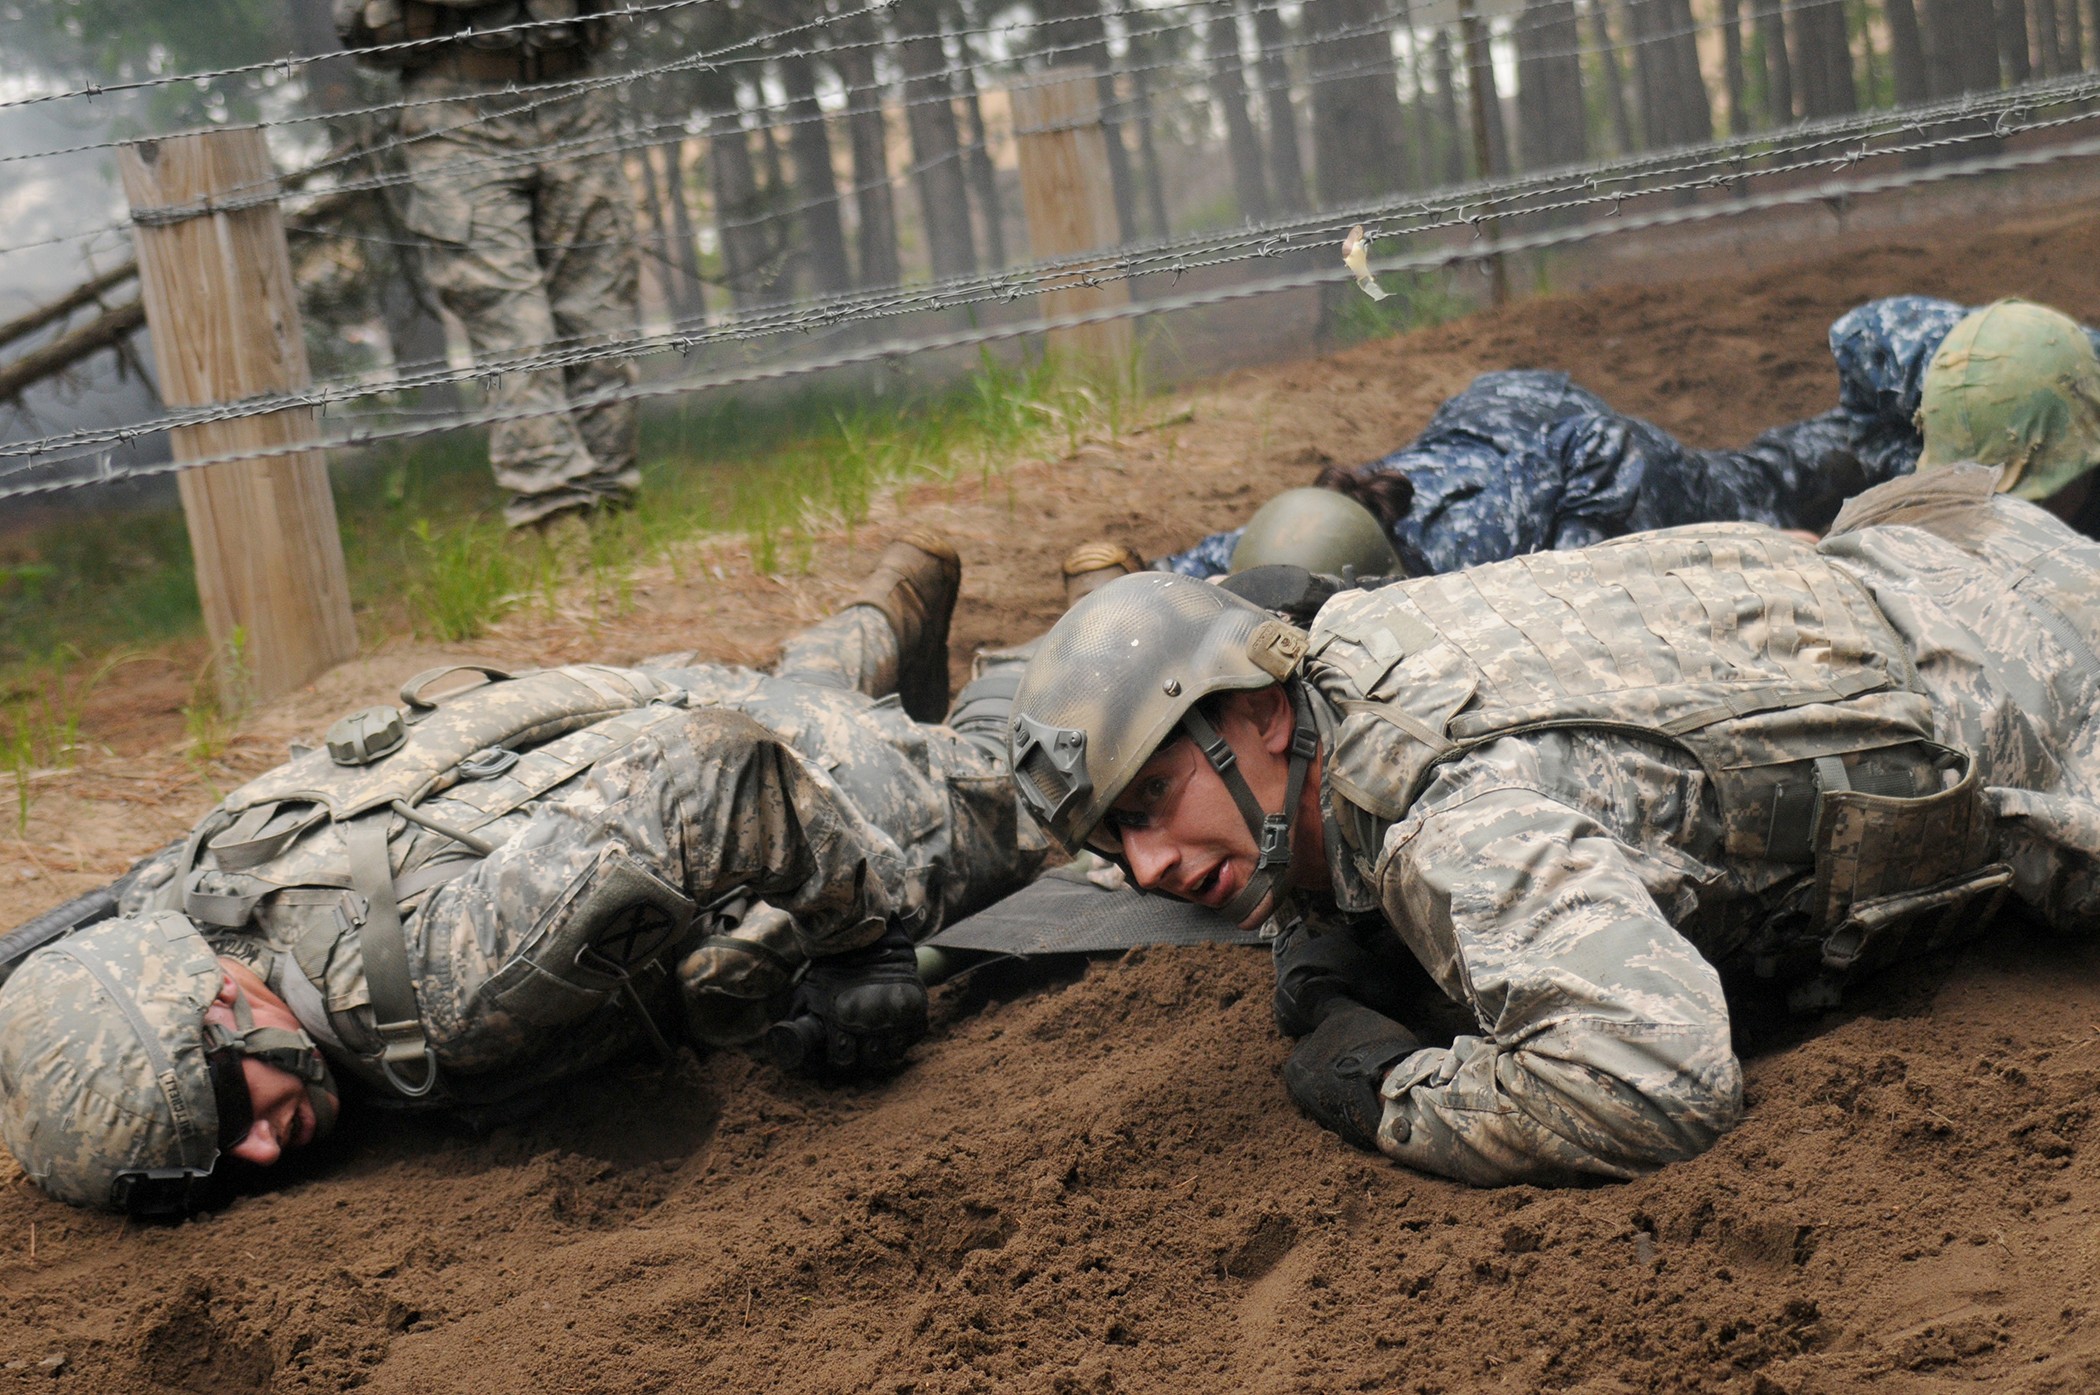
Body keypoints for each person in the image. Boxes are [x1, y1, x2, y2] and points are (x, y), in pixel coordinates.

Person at [1007, 466, 2100, 1187]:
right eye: (1115, 842)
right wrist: (1318, 908)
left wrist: (1387, 1093)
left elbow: (1654, 1082)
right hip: (1951, 551)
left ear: (1250, 712)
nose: (1146, 866)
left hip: (2052, 703)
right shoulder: (1351, 637)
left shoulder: (1457, 823)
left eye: (1151, 801)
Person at [0, 533, 1050, 1213]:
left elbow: (716, 778)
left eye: (237, 1110)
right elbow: (88, 944)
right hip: (614, 713)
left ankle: (1025, 673)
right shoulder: (183, 901)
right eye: (218, 1165)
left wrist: (856, 944)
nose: (262, 1154)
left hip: (746, 784)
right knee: (793, 694)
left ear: (225, 1002)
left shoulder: (441, 987)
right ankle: (880, 618)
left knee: (1034, 812)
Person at [1128, 296, 2100, 584]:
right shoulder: (1332, 522)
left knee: (1817, 480)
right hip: (1545, 429)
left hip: (1643, 482)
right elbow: (1232, 564)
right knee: (1823, 458)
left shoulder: (1477, 576)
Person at [336, 0, 642, 529]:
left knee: (601, 322)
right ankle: (557, 523)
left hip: (571, 95)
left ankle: (614, 516)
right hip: (456, 115)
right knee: (512, 328)